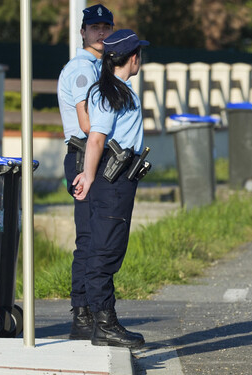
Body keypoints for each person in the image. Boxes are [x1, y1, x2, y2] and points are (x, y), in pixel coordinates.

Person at [72, 29, 150, 348]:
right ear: (132, 58)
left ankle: (100, 318)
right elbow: (96, 138)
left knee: (107, 247)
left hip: (121, 179)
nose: (140, 59)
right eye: (139, 54)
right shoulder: (109, 93)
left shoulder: (116, 89)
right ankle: (104, 322)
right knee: (105, 251)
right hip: (112, 181)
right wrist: (89, 177)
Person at [55, 4, 114, 340]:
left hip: (88, 155)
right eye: (94, 27)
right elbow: (85, 121)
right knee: (90, 240)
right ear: (83, 32)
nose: (101, 33)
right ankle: (82, 316)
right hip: (82, 155)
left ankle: (89, 312)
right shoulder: (83, 68)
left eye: (106, 26)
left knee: (95, 239)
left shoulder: (98, 66)